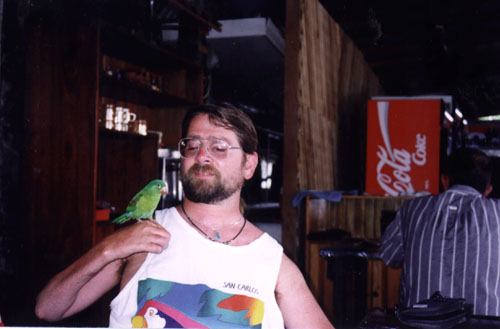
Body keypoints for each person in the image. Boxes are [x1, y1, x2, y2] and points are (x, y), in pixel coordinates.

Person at [35, 103, 334, 329]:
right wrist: (108, 248)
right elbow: (48, 309)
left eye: (218, 147)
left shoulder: (274, 263)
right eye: (192, 146)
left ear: (249, 165)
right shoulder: (142, 238)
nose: (202, 156)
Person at [380, 147, 500, 316]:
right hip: (486, 325)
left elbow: (388, 256)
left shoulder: (412, 209)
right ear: (488, 190)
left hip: (420, 325)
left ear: (445, 180)